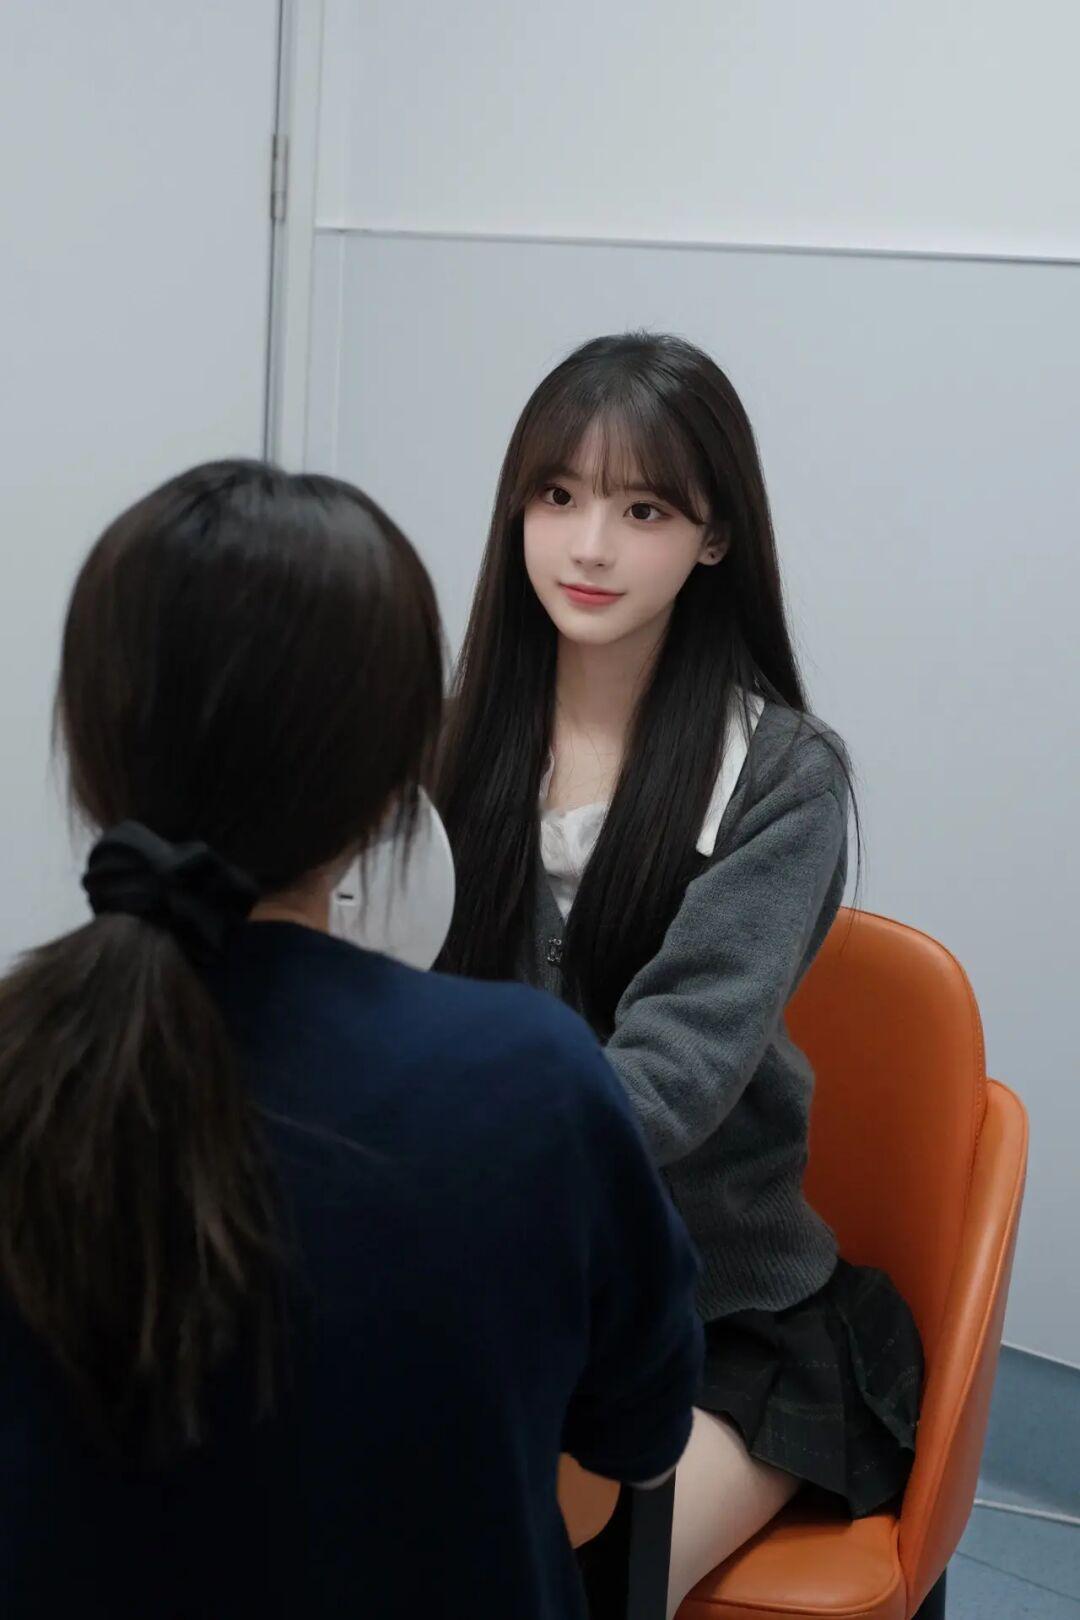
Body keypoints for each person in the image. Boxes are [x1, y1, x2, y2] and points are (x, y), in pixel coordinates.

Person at [0, 461, 703, 1619]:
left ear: (86, 747)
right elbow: (640, 1431)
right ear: (395, 788)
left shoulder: (27, 1061)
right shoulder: (534, 1082)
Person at [436, 334, 924, 1617]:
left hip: (714, 1317)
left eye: (643, 510)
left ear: (714, 538)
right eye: (557, 496)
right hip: (493, 1286)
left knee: (554, 1580)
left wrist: (452, 1168)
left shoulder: (782, 775)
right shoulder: (448, 738)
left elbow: (675, 1070)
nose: (589, 546)